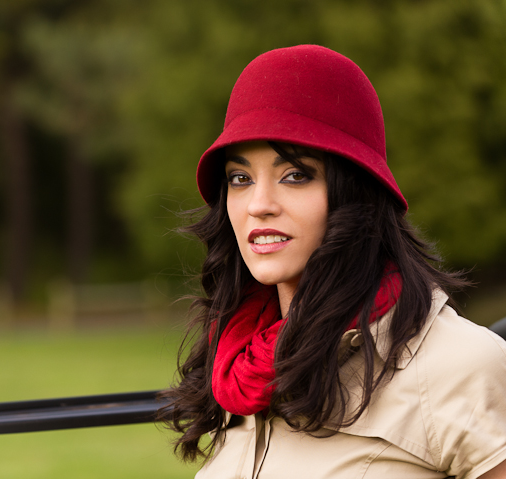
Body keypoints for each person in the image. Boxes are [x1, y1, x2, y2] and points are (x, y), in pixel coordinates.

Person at [159, 45, 506, 479]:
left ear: (354, 192)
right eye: (240, 178)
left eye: (295, 175)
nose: (258, 204)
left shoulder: (458, 366)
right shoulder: (238, 369)